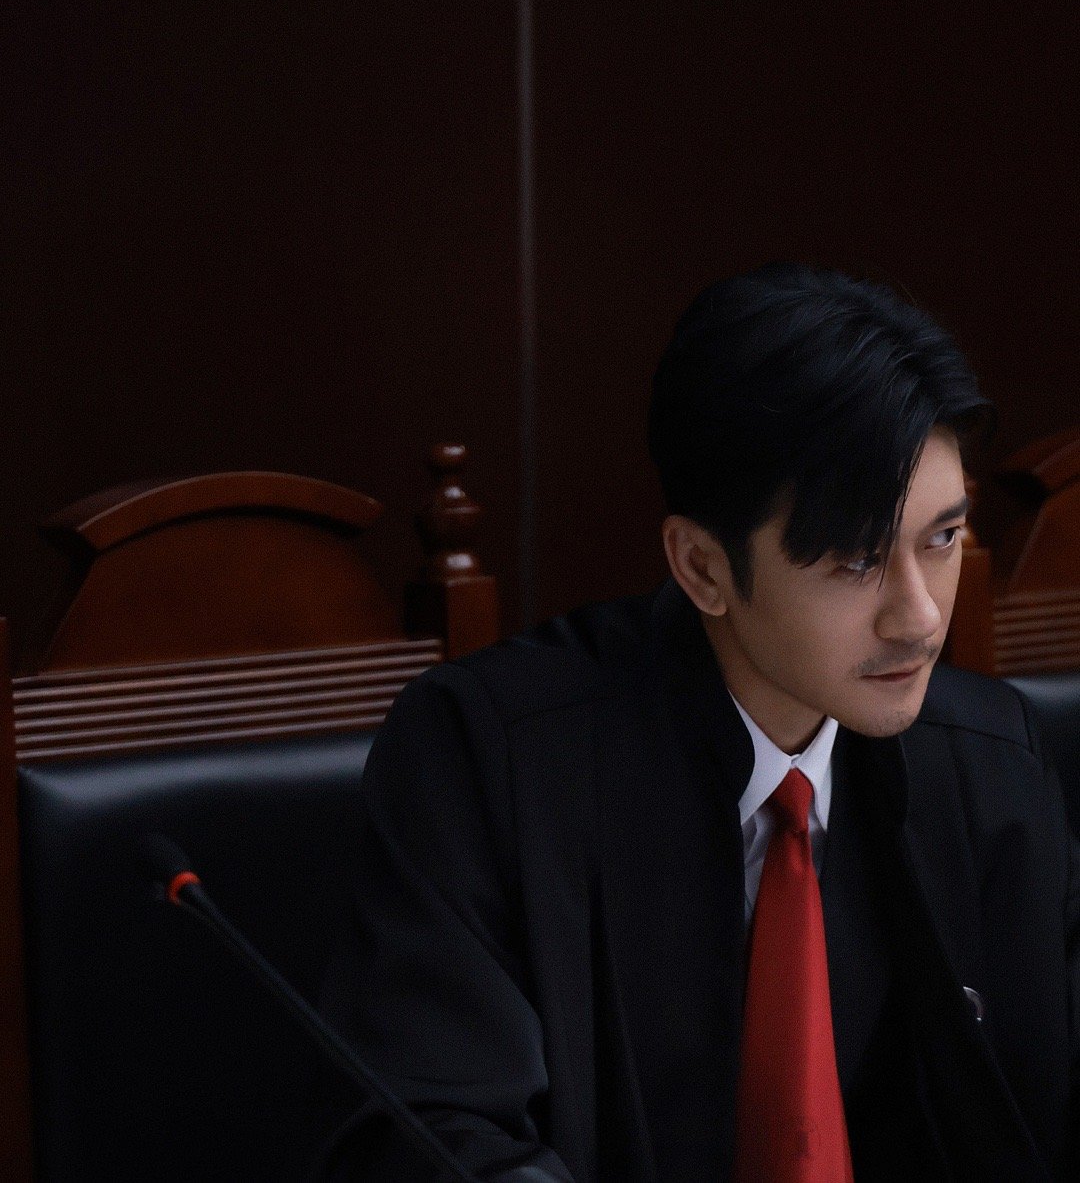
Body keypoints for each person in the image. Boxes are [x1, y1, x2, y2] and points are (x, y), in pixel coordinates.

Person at [319, 263, 1080, 1182]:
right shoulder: (489, 760)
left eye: (944, 538)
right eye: (855, 560)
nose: (920, 617)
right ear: (703, 568)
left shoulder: (994, 767)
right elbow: (433, 1137)